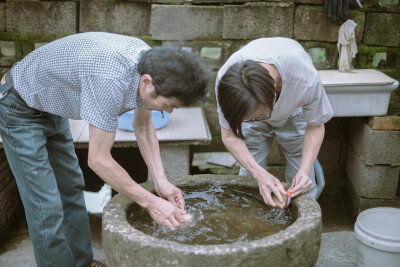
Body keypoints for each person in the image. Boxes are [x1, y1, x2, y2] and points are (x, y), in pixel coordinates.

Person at [0, 32, 211, 267]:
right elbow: (98, 159)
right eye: (169, 104)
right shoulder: (110, 79)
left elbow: (142, 125)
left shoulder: (149, 63)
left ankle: (82, 263)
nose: (170, 111)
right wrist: (151, 202)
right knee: (45, 206)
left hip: (51, 106)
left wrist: (161, 180)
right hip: (18, 107)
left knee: (71, 187)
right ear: (147, 83)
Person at [215, 37, 333, 207]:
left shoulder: (304, 79)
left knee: (301, 181)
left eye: (259, 116)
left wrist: (304, 171)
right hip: (253, 106)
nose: (254, 121)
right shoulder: (227, 83)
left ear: (275, 92)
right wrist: (259, 174)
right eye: (247, 119)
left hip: (295, 112)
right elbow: (229, 135)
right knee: (249, 177)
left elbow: (315, 126)